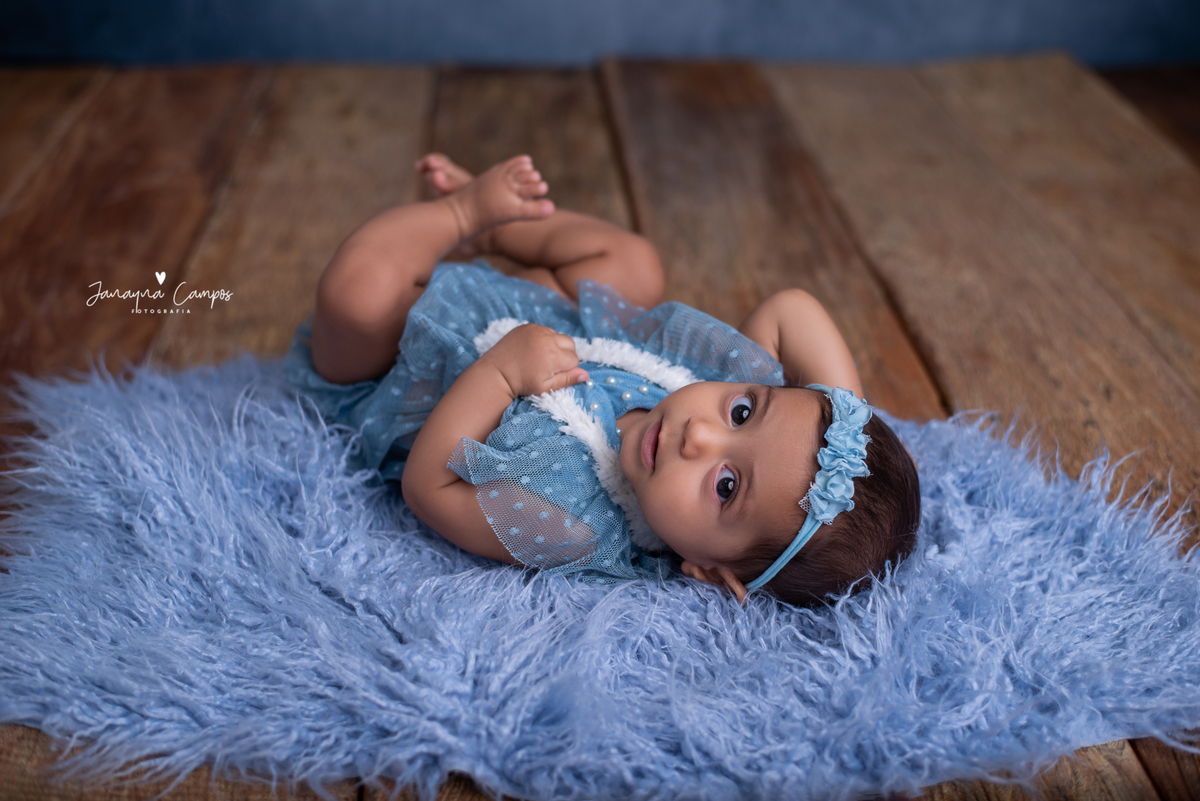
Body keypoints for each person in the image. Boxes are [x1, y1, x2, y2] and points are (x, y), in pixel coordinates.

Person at [282, 153, 920, 606]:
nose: (700, 436)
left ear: (708, 570)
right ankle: (500, 229)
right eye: (744, 414)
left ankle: (458, 214)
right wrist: (844, 431)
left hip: (399, 369)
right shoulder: (705, 385)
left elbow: (430, 488)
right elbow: (792, 310)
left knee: (360, 290)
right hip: (523, 307)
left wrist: (501, 374)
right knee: (635, 264)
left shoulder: (573, 524)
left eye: (726, 486)